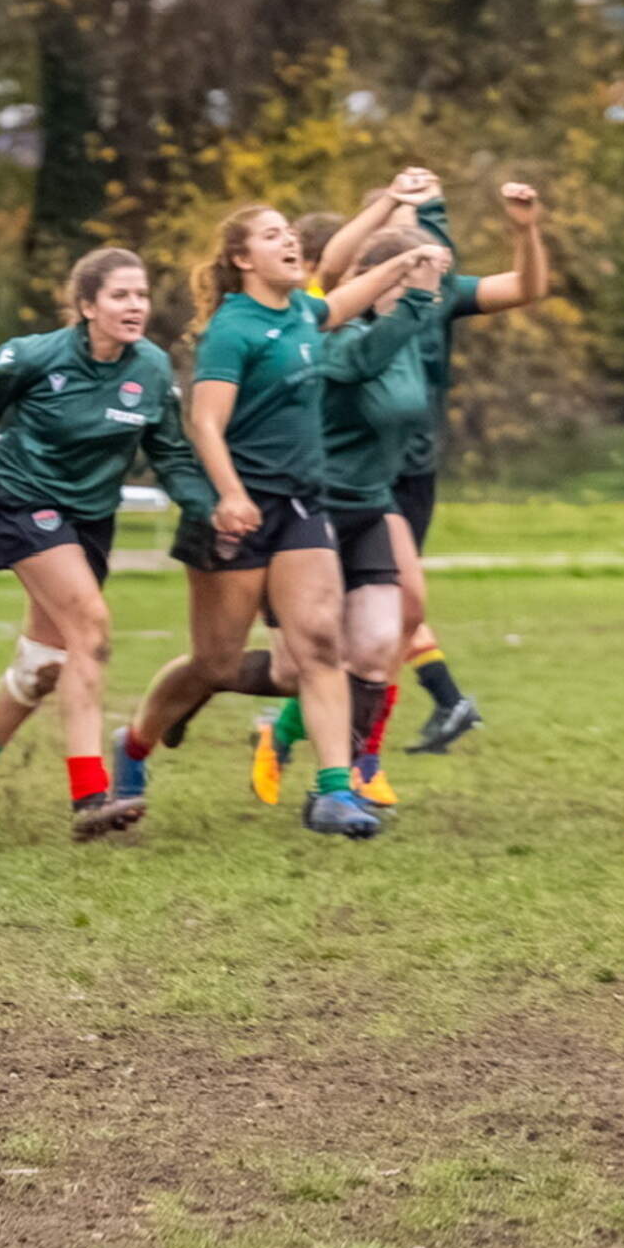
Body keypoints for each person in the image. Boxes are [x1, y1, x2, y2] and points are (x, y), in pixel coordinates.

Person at [105, 206, 439, 841]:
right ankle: (136, 743)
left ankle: (333, 793)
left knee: (319, 645)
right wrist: (229, 496)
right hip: (237, 511)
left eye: (291, 232)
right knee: (215, 663)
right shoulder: (233, 329)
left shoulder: (303, 316)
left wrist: (402, 261)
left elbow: (343, 301)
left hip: (302, 506)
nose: (289, 240)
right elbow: (204, 423)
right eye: (271, 235)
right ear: (241, 259)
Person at [0, 247, 211, 840]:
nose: (135, 306)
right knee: (91, 629)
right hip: (26, 502)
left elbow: (170, 451)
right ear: (86, 306)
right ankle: (89, 797)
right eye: (120, 295)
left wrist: (207, 506)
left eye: (141, 295)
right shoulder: (33, 356)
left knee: (44, 665)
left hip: (89, 518)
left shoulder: (150, 368)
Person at [300, 169, 551, 763]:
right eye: (405, 230)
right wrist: (391, 204)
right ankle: (302, 727)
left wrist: (527, 230)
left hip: (406, 471)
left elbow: (525, 286)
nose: (424, 246)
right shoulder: (338, 306)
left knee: (399, 616)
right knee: (327, 637)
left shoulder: (436, 295)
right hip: (336, 478)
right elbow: (331, 268)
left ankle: (358, 756)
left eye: (427, 229)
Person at [240, 223, 450, 811]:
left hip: (371, 503)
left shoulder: (410, 326)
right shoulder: (328, 331)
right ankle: (238, 710)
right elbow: (362, 355)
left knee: (381, 641)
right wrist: (410, 290)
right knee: (297, 664)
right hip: (310, 507)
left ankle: (348, 775)